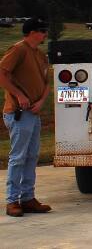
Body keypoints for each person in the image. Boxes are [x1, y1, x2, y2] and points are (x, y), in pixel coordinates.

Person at [0, 18, 52, 217]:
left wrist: (40, 102)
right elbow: (2, 74)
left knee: (32, 156)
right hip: (18, 113)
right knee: (18, 157)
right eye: (41, 30)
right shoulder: (18, 50)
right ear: (30, 32)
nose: (44, 34)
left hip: (34, 112)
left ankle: (28, 198)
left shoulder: (40, 55)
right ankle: (12, 200)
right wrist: (20, 95)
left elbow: (46, 83)